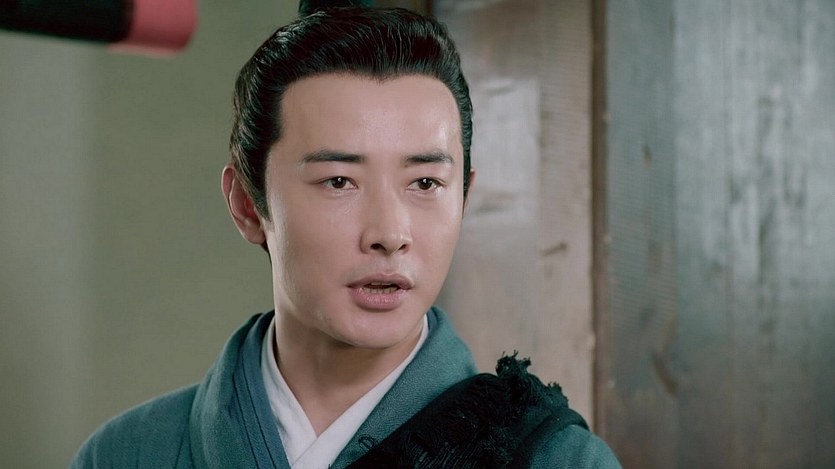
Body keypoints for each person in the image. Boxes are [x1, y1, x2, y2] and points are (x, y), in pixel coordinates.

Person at [72, 2, 621, 468]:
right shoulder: (126, 454)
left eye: (425, 182)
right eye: (339, 181)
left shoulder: (555, 458)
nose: (390, 233)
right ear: (247, 204)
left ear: (464, 197)